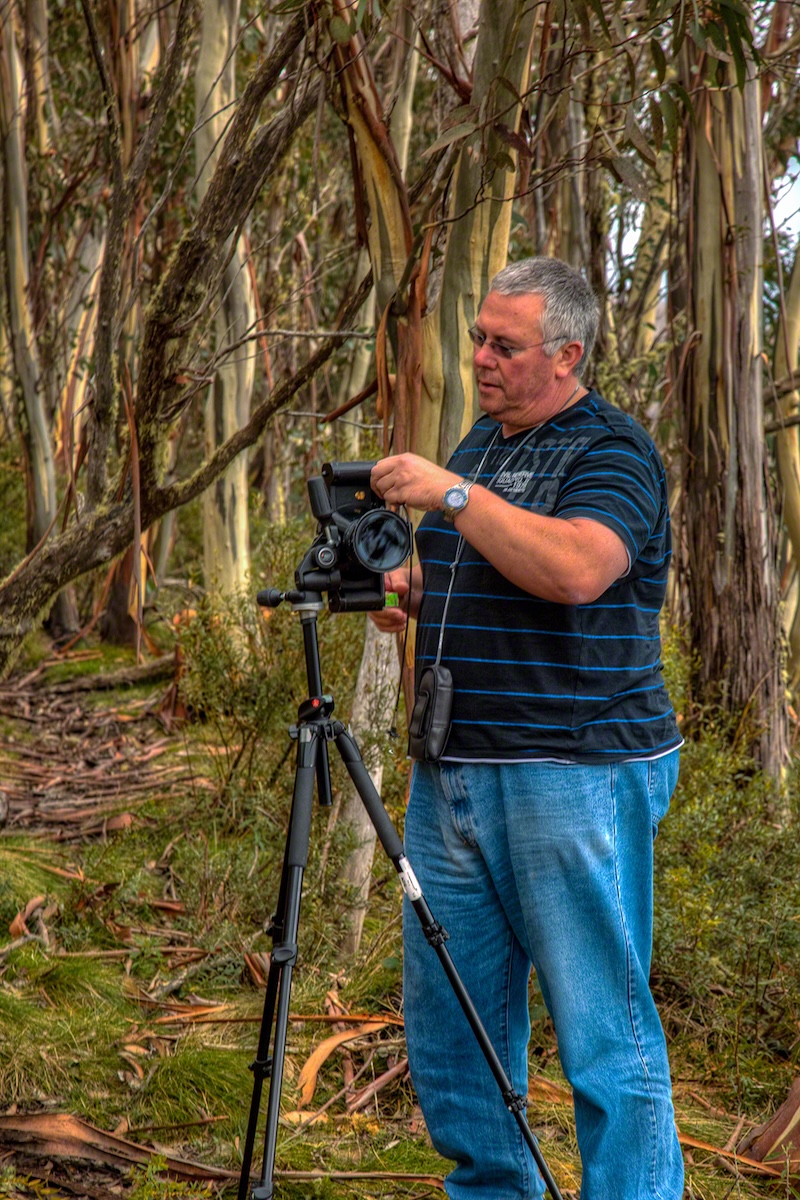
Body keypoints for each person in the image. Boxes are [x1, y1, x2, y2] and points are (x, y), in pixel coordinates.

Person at [369, 257, 684, 1200]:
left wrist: (453, 497)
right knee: (455, 1027)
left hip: (571, 770)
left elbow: (580, 568)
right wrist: (405, 591)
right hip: (454, 767)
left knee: (602, 1028)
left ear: (568, 353)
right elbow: (474, 571)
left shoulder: (612, 450)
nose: (481, 358)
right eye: (477, 337)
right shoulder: (481, 446)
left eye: (504, 345)